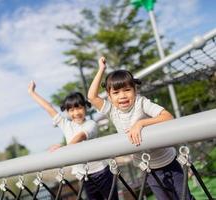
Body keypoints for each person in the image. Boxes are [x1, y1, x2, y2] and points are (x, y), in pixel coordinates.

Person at [87, 57, 194, 200]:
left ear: (135, 90)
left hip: (169, 161)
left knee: (185, 198)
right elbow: (92, 97)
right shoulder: (112, 110)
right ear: (109, 96)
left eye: (127, 90)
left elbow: (168, 117)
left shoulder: (141, 102)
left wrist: (141, 124)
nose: (122, 96)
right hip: (147, 168)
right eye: (116, 93)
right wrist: (101, 69)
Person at [28, 80, 118, 200]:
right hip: (84, 176)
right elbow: (48, 108)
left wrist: (64, 149)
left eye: (79, 108)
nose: (76, 113)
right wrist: (32, 93)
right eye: (71, 110)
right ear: (67, 112)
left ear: (85, 107)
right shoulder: (66, 124)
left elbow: (80, 136)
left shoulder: (91, 124)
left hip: (102, 172)